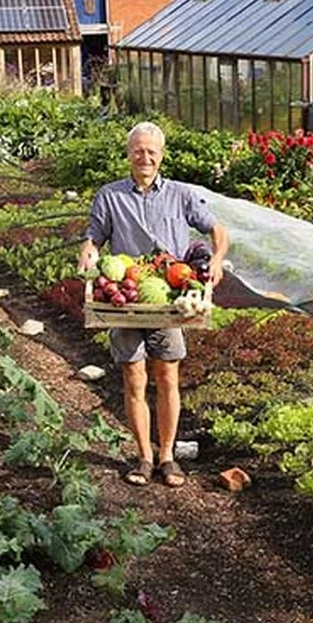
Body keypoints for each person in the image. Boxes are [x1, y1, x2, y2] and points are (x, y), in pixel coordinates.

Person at [78, 121, 229, 488]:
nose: (144, 157)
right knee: (133, 377)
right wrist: (87, 252)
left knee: (167, 377)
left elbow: (216, 230)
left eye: (151, 151)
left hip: (169, 299)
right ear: (129, 154)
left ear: (161, 156)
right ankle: (144, 456)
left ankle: (168, 457)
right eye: (138, 151)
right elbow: (94, 238)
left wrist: (219, 258)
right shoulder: (110, 196)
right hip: (128, 297)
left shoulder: (181, 194)